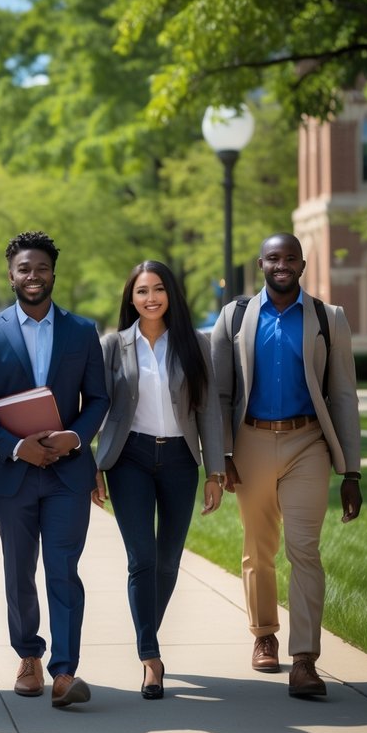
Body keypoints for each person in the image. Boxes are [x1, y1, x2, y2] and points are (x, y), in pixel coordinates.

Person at [211, 232, 362, 698]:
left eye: (290, 258)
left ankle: (304, 660)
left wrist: (351, 471)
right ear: (261, 263)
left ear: (301, 264)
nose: (282, 265)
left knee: (304, 550)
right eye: (273, 258)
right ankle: (264, 636)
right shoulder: (234, 316)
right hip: (251, 441)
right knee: (258, 549)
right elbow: (218, 393)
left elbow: (342, 394)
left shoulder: (327, 317)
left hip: (307, 445)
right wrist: (222, 458)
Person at [0, 230, 108, 709]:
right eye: (24, 269)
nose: (33, 276)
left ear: (53, 272)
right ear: (11, 275)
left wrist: (76, 436)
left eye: (41, 268)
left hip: (68, 471)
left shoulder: (82, 331)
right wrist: (11, 447)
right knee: (18, 569)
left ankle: (65, 670)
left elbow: (100, 399)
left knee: (63, 570)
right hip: (13, 473)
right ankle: (28, 654)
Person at [92, 260, 225, 700]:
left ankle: (148, 635)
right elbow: (99, 406)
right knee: (142, 559)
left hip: (181, 461)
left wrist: (215, 470)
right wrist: (95, 463)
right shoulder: (114, 345)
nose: (151, 298)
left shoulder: (194, 344)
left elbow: (207, 409)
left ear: (171, 294)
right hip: (130, 458)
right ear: (131, 298)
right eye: (142, 291)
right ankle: (150, 657)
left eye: (158, 290)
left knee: (168, 561)